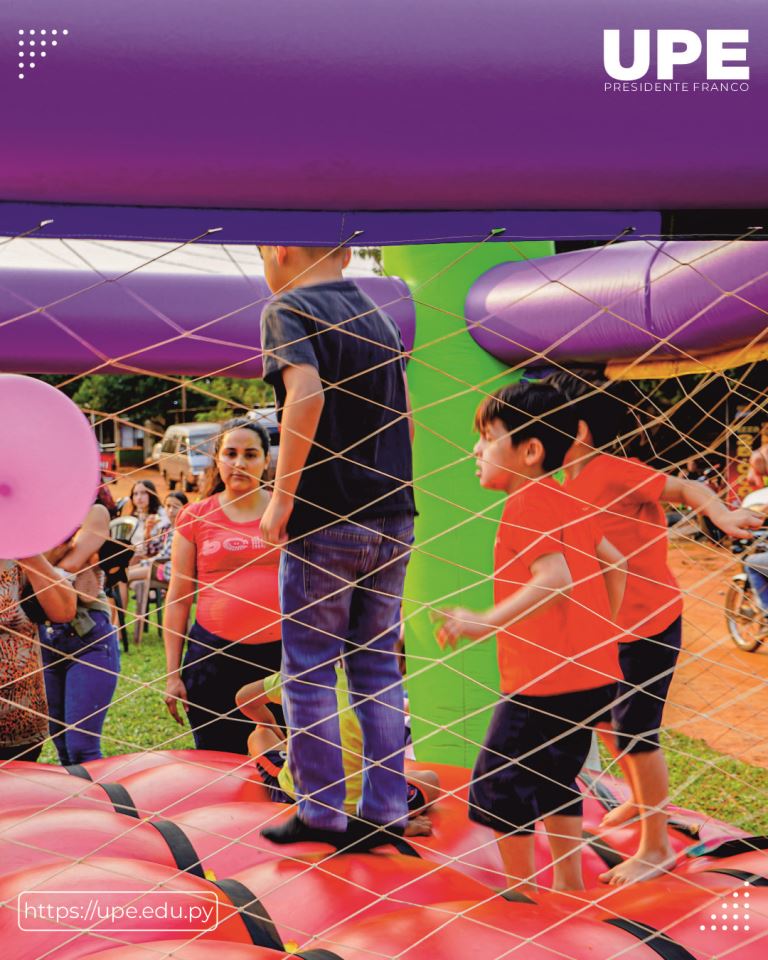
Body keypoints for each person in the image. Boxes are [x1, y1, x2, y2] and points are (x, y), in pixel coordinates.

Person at [546, 372, 762, 885]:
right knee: (602, 716)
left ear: (577, 429)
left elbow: (687, 486)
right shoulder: (565, 481)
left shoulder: (614, 470)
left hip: (648, 625)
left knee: (635, 733)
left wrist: (723, 512)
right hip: (605, 628)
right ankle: (641, 800)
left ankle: (656, 846)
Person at [435, 382, 626, 895]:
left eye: (487, 438)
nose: (475, 450)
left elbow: (555, 578)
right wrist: (598, 631)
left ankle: (518, 893)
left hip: (544, 681)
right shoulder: (570, 499)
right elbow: (616, 561)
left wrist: (484, 621)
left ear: (530, 450)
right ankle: (568, 883)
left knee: (498, 786)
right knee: (553, 780)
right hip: (591, 676)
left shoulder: (527, 502)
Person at [257, 244, 415, 849]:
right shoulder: (377, 315)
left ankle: (321, 812)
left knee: (309, 671)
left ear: (279, 249)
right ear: (347, 253)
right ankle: (384, 809)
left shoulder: (288, 307)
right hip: (394, 514)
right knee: (375, 665)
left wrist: (282, 495)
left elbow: (308, 394)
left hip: (328, 518)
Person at [163, 419, 282, 753]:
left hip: (280, 660)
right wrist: (172, 675)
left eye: (250, 454)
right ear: (217, 459)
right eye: (230, 453)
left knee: (282, 766)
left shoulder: (287, 511)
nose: (240, 463)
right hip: (212, 661)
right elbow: (178, 600)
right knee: (218, 763)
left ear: (266, 460)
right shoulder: (195, 517)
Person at [236, 669, 440, 837]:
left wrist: (269, 722)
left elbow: (244, 698)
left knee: (260, 735)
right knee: (429, 780)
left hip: (298, 797)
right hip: (362, 807)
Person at [41, 500, 121, 764]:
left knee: (81, 747)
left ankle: (97, 805)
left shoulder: (92, 511)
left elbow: (73, 567)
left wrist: (43, 561)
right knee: (61, 743)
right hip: (45, 640)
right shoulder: (27, 518)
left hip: (89, 635)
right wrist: (55, 562)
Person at [0, 555, 76, 762]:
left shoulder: (16, 555)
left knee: (14, 793)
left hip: (18, 722)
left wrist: (28, 552)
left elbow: (65, 610)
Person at [128, 491, 188, 634]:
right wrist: (148, 532)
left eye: (176, 507)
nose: (171, 511)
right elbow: (153, 550)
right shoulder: (166, 528)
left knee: (126, 575)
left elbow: (167, 557)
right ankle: (120, 622)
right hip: (156, 565)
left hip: (168, 569)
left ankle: (119, 624)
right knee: (125, 573)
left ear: (185, 508)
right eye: (167, 506)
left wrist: (146, 562)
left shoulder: (184, 529)